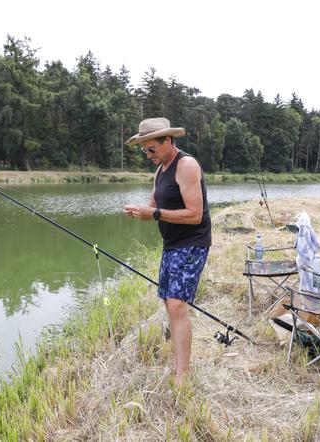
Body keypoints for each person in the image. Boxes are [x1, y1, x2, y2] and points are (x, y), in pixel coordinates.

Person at [123, 117, 211, 387]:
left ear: (168, 140)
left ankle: (182, 376)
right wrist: (142, 212)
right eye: (144, 150)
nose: (148, 155)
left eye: (152, 149)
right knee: (169, 304)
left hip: (192, 243)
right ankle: (179, 364)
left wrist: (156, 213)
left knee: (177, 306)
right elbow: (154, 209)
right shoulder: (160, 169)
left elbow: (195, 215)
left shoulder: (186, 165)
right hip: (171, 245)